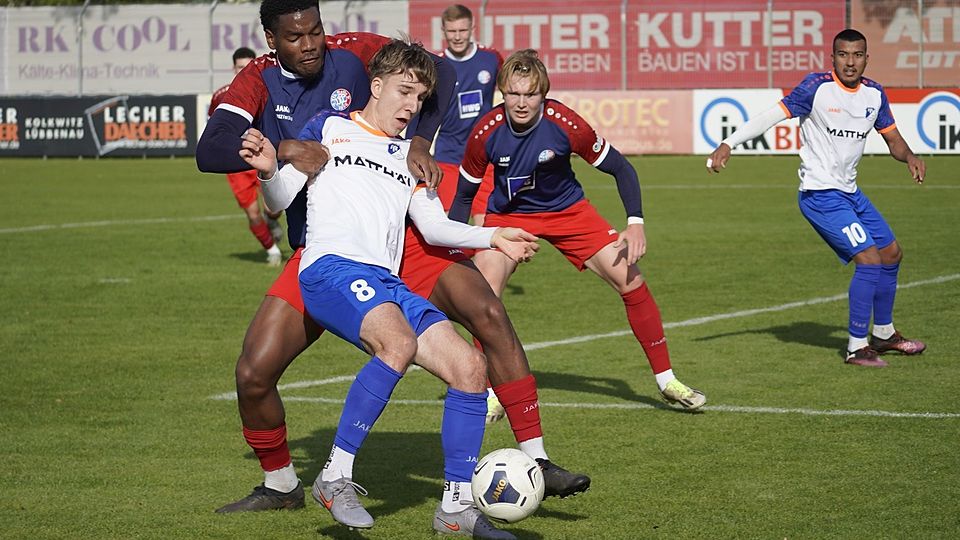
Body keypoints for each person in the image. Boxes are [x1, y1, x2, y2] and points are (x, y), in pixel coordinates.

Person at [196, 0, 588, 518]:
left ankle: (529, 463)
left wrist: (420, 145)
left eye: (316, 30)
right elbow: (215, 152)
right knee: (254, 372)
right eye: (295, 37)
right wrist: (284, 152)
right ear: (272, 38)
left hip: (400, 239)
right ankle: (284, 483)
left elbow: (440, 75)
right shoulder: (268, 88)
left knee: (485, 321)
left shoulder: (356, 53)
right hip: (328, 251)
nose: (310, 43)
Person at [239, 39, 535, 537]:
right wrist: (271, 170)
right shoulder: (330, 129)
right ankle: (335, 477)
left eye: (419, 98)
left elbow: (437, 228)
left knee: (469, 367)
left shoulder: (409, 157)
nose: (410, 107)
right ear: (375, 86)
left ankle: (456, 508)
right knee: (396, 342)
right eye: (403, 92)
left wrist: (493, 235)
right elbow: (277, 201)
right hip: (329, 265)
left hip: (385, 280)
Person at [450, 49, 707, 410]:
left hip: (568, 211)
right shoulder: (485, 133)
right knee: (482, 296)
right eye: (513, 93)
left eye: (530, 94)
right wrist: (453, 248)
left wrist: (635, 224)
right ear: (502, 92)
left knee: (631, 280)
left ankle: (667, 381)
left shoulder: (567, 124)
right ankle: (489, 393)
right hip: (509, 216)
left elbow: (621, 168)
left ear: (544, 93)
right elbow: (463, 197)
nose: (521, 103)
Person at [706, 29, 926, 367]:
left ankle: (883, 334)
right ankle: (856, 347)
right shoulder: (816, 87)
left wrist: (909, 156)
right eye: (843, 54)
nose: (850, 62)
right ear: (832, 57)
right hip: (820, 194)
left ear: (867, 58)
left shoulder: (874, 94)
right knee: (868, 259)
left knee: (891, 253)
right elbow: (770, 117)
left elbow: (893, 139)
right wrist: (728, 143)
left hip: (851, 192)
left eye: (856, 55)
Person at [208, 46, 284, 266]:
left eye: (247, 66)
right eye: (240, 67)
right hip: (236, 160)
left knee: (274, 207)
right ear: (233, 68)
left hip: (262, 154)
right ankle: (272, 251)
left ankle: (272, 221)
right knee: (252, 213)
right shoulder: (221, 96)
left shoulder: (268, 90)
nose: (243, 71)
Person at [432, 4, 500, 227]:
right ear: (443, 31)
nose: (457, 37)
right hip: (448, 156)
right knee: (453, 227)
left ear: (472, 28)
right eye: (452, 31)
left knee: (486, 227)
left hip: (484, 157)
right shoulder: (435, 66)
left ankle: (483, 263)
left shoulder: (491, 59)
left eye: (462, 31)